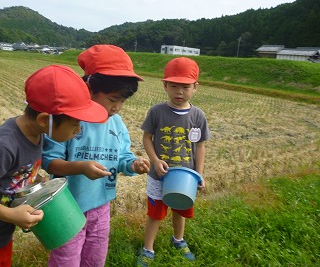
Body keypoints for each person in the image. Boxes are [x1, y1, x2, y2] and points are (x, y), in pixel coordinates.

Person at [0, 65, 108, 267]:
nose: (78, 131)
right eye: (75, 124)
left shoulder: (36, 135)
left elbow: (15, 175)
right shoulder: (3, 145)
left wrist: (37, 181)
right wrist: (10, 215)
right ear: (44, 120)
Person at [42, 44, 150, 267]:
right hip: (67, 207)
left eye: (122, 101)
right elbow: (50, 162)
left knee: (95, 259)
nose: (117, 107)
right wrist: (80, 167)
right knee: (66, 261)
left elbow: (122, 157)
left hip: (101, 206)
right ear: (89, 88)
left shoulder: (116, 124)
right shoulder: (68, 121)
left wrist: (134, 164)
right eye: (112, 100)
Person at [137, 57, 211, 266]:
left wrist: (199, 173)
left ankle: (178, 239)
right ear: (165, 85)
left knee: (181, 209)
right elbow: (147, 138)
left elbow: (201, 146)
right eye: (174, 86)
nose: (179, 91)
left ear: (195, 87)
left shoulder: (198, 116)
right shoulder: (157, 112)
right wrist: (154, 160)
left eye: (185, 87)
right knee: (156, 213)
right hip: (159, 176)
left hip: (185, 177)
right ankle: (148, 248)